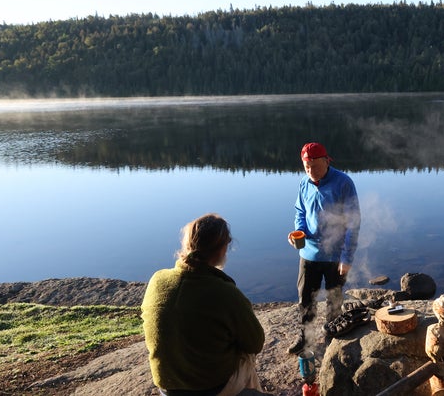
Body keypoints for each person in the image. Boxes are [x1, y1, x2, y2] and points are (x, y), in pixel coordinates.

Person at [141, 213, 265, 396]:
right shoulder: (224, 292)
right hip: (211, 388)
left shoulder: (157, 279)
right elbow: (256, 343)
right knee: (246, 352)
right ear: (222, 249)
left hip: (168, 386)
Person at [287, 142, 361, 354]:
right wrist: (298, 231)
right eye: (306, 166)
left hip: (335, 256)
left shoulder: (343, 183)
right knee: (305, 298)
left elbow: (353, 222)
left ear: (326, 161)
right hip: (308, 253)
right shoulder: (304, 182)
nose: (310, 171)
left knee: (334, 299)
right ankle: (305, 338)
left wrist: (347, 258)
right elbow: (300, 211)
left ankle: (332, 338)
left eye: (314, 166)